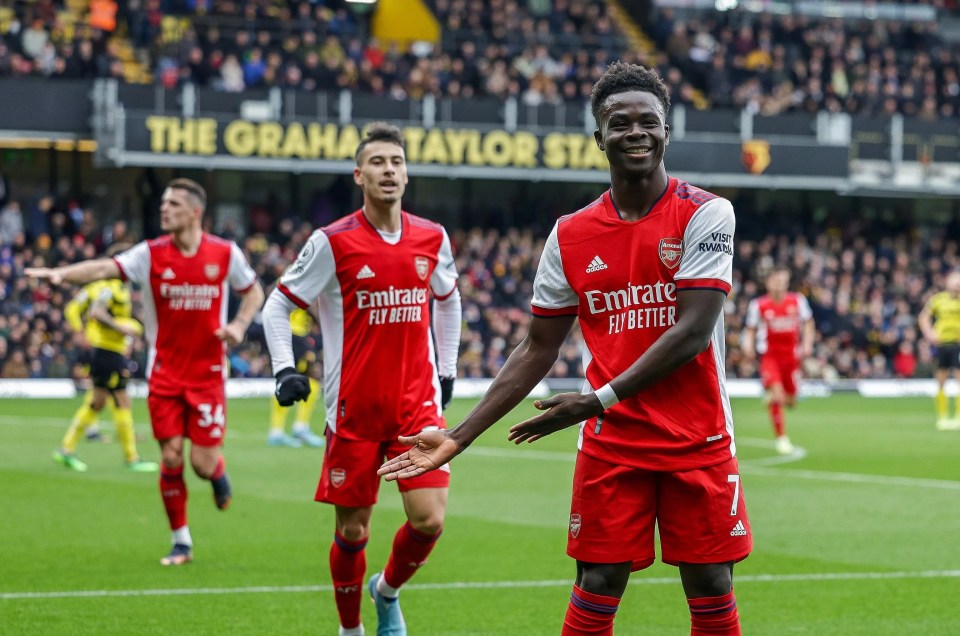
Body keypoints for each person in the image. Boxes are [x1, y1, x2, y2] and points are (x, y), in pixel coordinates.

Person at [379, 62, 751, 636]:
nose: (636, 133)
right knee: (597, 583)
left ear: (667, 132)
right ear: (598, 137)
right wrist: (459, 436)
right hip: (612, 444)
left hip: (697, 437)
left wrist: (598, 399)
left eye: (648, 122)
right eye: (619, 123)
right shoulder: (570, 235)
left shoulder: (706, 213)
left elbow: (693, 332)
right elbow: (537, 346)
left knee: (711, 587)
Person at [262, 122, 461, 636]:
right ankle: (350, 630)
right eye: (377, 162)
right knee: (353, 530)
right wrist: (284, 367)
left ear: (406, 172)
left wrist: (448, 369)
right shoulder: (333, 242)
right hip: (352, 410)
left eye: (396, 161)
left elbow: (448, 299)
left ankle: (387, 591)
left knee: (429, 520)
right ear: (359, 175)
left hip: (416, 407)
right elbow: (278, 305)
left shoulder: (432, 237)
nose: (388, 170)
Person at [26, 178, 264, 566]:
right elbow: (105, 267)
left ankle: (217, 473)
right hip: (165, 374)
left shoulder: (224, 253)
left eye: (172, 203)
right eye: (163, 203)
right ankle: (181, 541)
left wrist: (238, 326)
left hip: (207, 376)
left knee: (201, 465)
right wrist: (61, 274)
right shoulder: (151, 253)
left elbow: (253, 292)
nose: (163, 209)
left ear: (194, 212)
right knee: (171, 457)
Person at [55, 278, 158, 472]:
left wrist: (82, 333)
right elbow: (96, 313)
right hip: (107, 350)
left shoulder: (96, 288)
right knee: (121, 400)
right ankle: (131, 457)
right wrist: (125, 328)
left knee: (98, 401)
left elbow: (74, 310)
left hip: (103, 349)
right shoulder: (112, 289)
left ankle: (66, 449)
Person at [741, 266, 815, 454]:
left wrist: (807, 344)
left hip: (791, 358)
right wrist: (748, 347)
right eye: (776, 281)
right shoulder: (759, 305)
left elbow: (808, 323)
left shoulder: (797, 301)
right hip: (770, 357)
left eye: (782, 281)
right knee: (778, 395)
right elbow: (750, 329)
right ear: (768, 283)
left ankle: (772, 396)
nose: (779, 285)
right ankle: (781, 438)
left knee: (791, 402)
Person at [266, 308, 324, 448]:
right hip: (294, 335)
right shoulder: (302, 289)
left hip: (291, 335)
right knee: (299, 382)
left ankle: (288, 429)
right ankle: (288, 430)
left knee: (310, 383)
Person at [918, 270, 960, 430]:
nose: (957, 284)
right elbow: (923, 317)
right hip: (942, 344)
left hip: (958, 344)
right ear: (947, 282)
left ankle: (958, 417)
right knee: (941, 380)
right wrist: (929, 334)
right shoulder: (938, 300)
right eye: (954, 281)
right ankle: (942, 417)